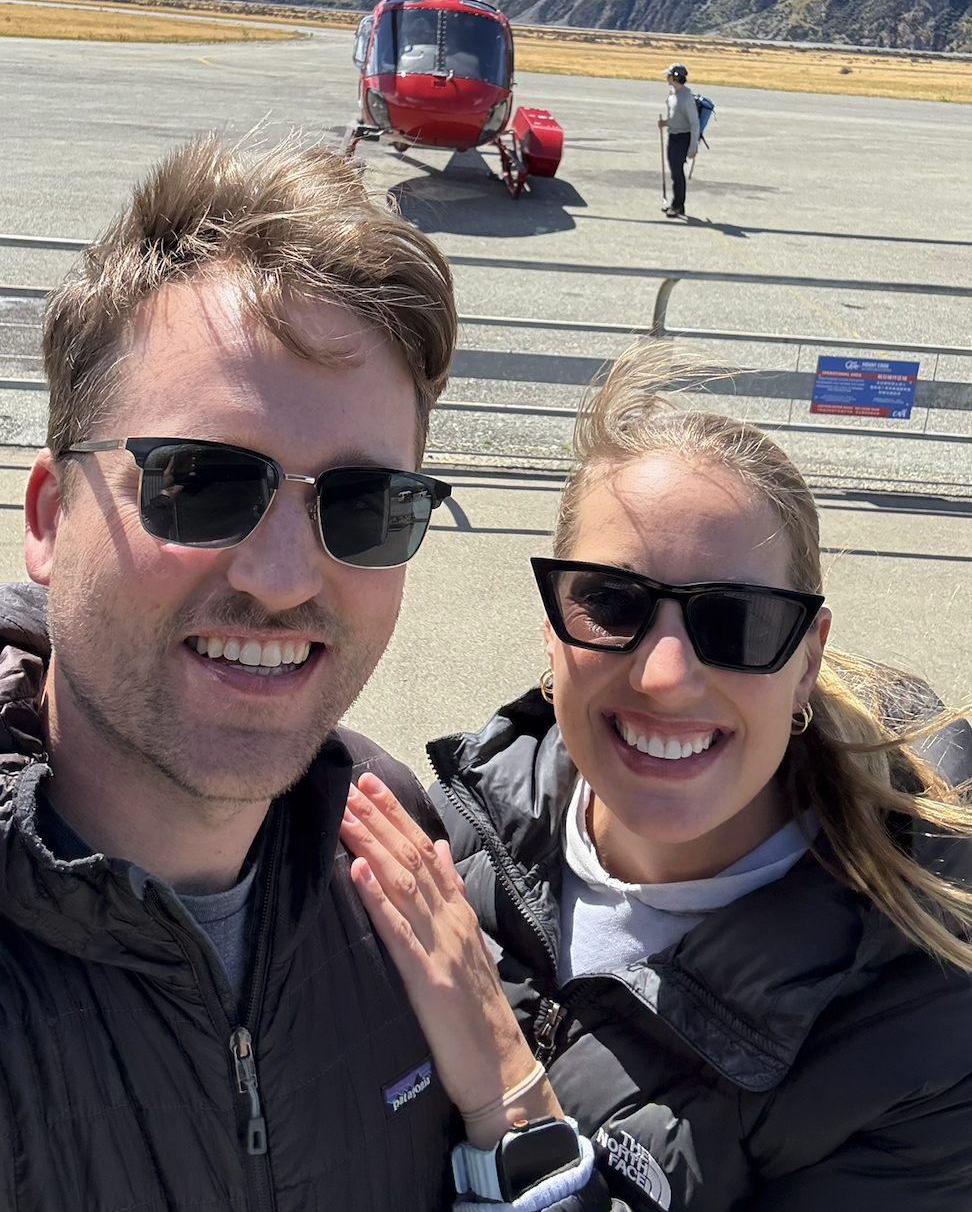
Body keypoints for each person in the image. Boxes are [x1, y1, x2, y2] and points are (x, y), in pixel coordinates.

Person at [0, 137, 602, 1212]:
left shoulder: (404, 861)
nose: (282, 580)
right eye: (201, 483)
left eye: (365, 506)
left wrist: (512, 1107)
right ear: (50, 516)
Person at [349, 344, 972, 1209]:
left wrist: (511, 1095)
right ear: (552, 626)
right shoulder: (444, 840)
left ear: (805, 660)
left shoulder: (924, 1015)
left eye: (740, 621)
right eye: (611, 602)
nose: (665, 674)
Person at [658, 62, 698, 218]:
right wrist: (665, 123)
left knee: (677, 173)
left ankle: (678, 205)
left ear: (675, 77)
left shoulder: (686, 98)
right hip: (673, 135)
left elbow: (694, 123)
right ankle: (675, 204)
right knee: (674, 172)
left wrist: (692, 147)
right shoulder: (673, 94)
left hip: (683, 138)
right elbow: (675, 117)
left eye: (669, 75)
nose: (666, 78)